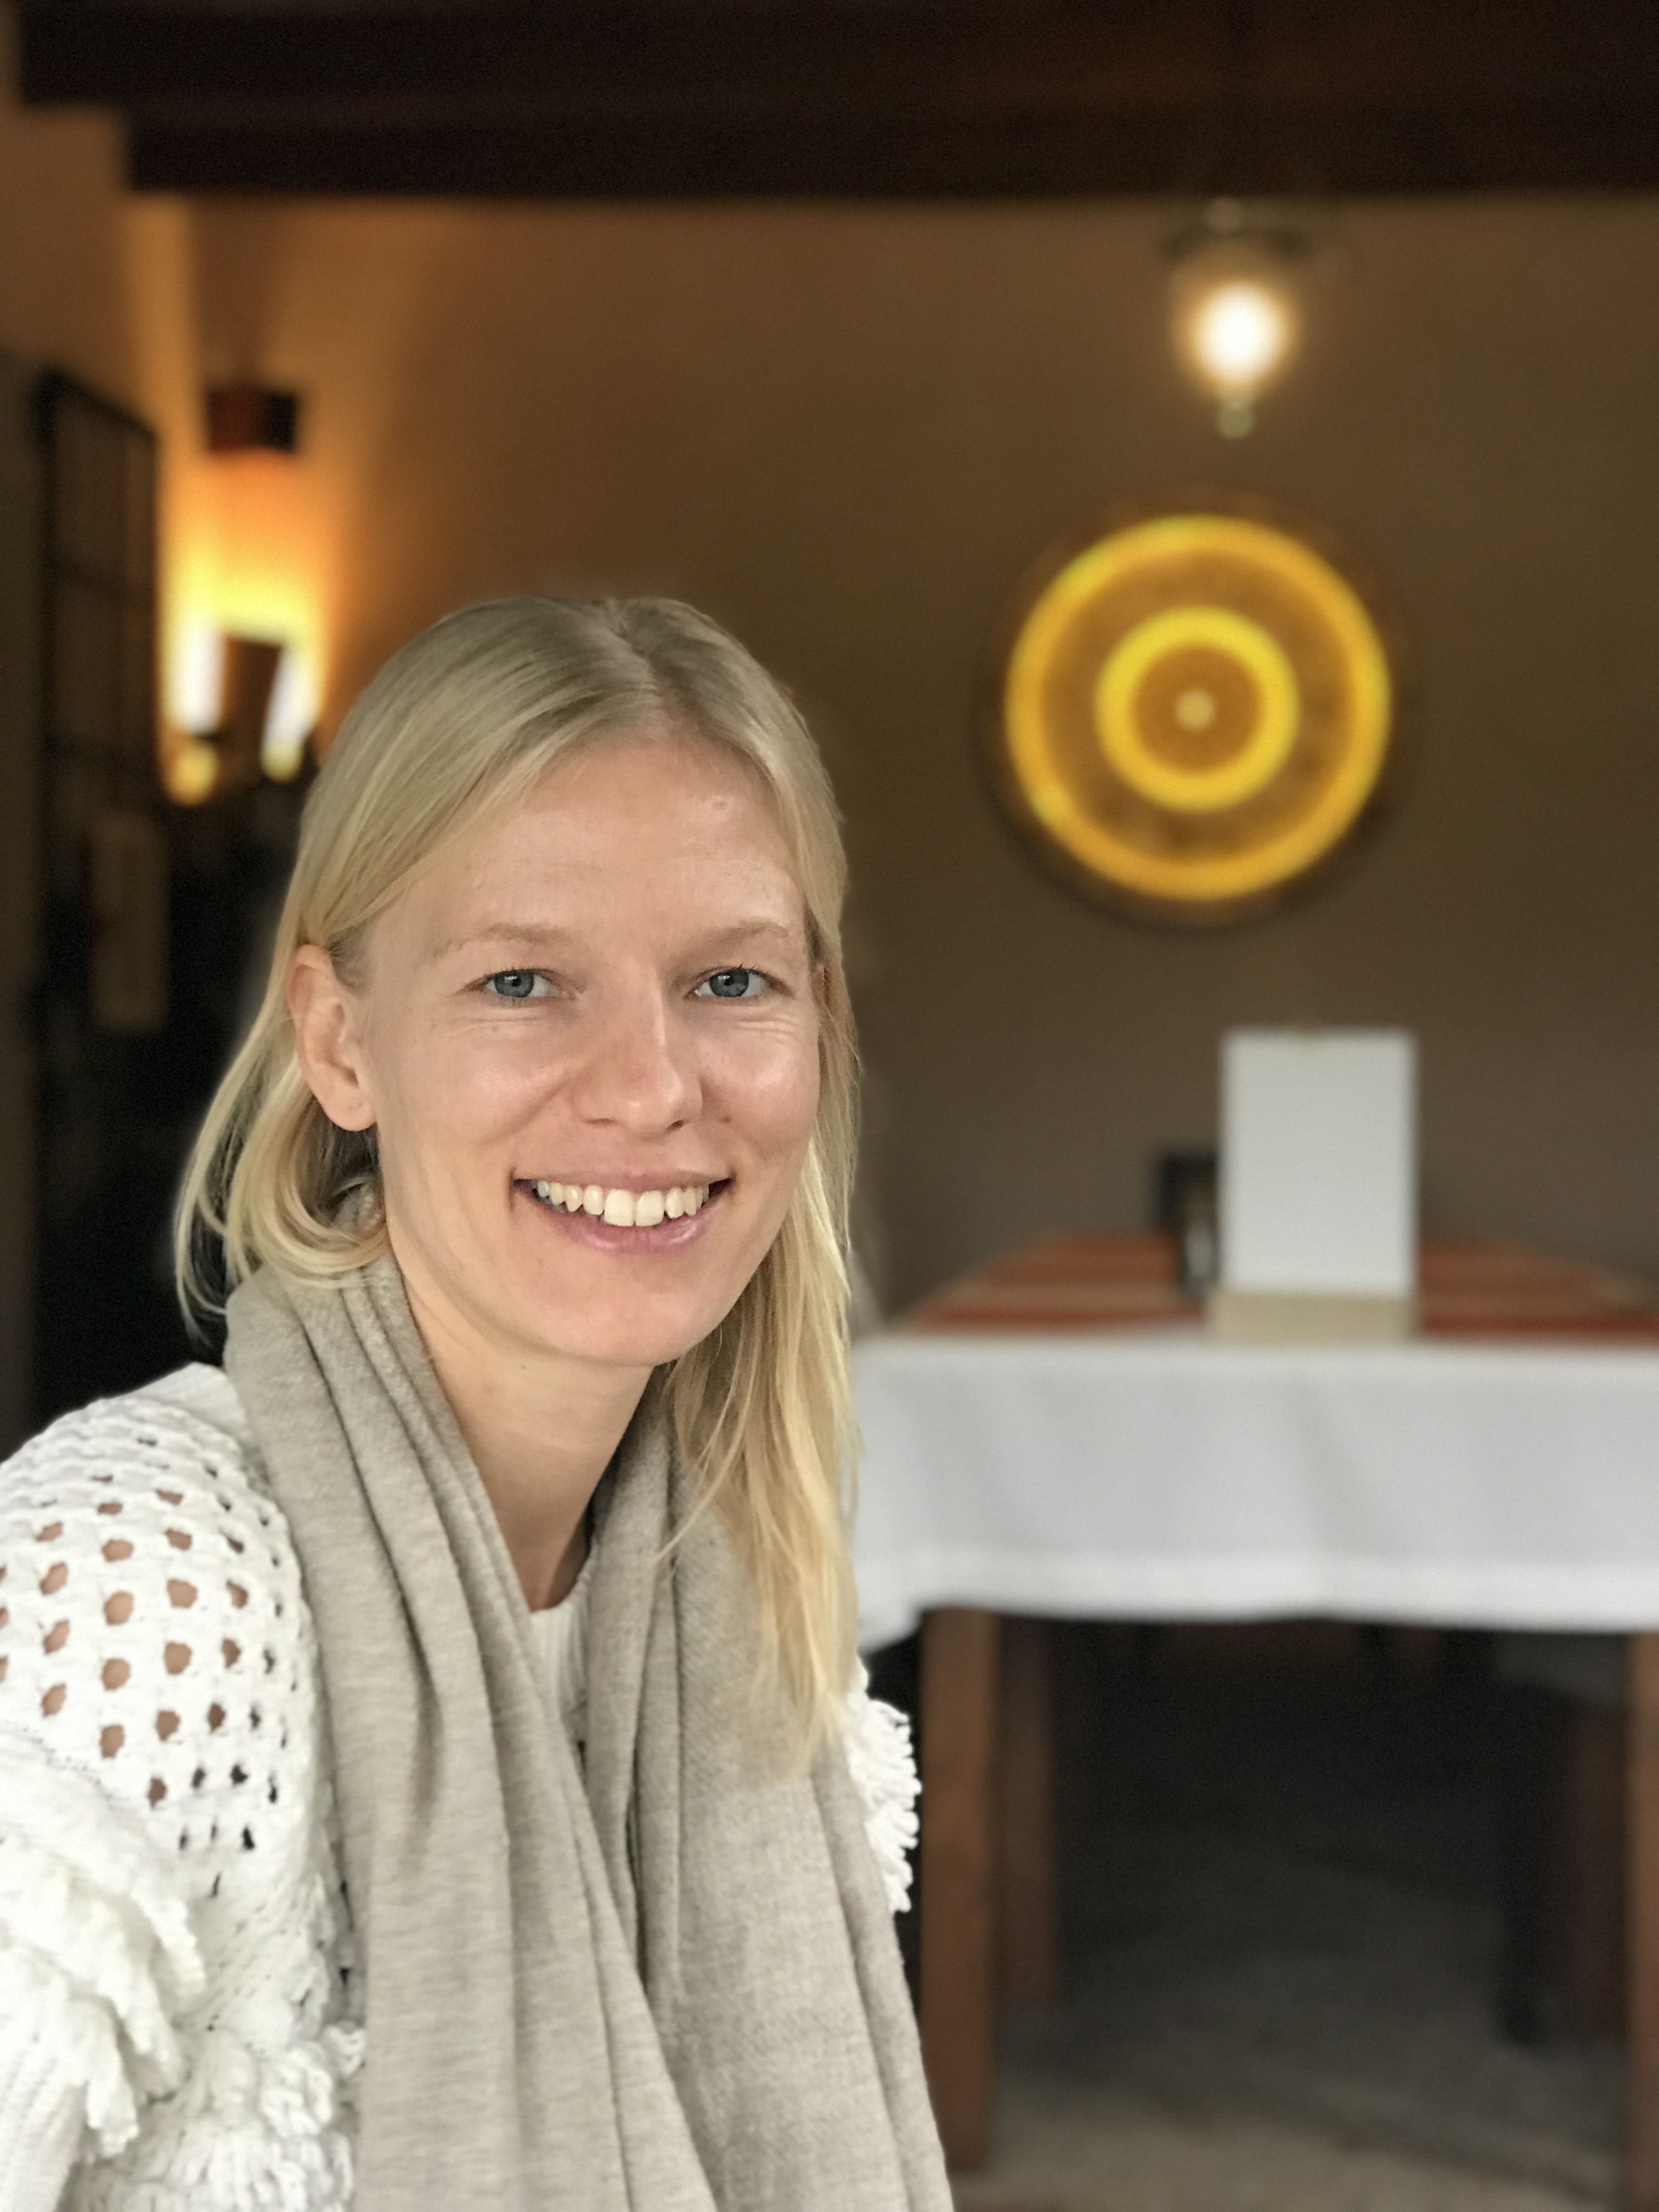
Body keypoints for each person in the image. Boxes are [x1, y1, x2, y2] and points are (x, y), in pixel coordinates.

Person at [0, 597, 951, 2212]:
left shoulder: (751, 1611)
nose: (651, 1087)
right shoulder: (135, 1593)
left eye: (730, 978)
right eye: (523, 981)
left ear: (820, 1024)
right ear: (339, 1041)